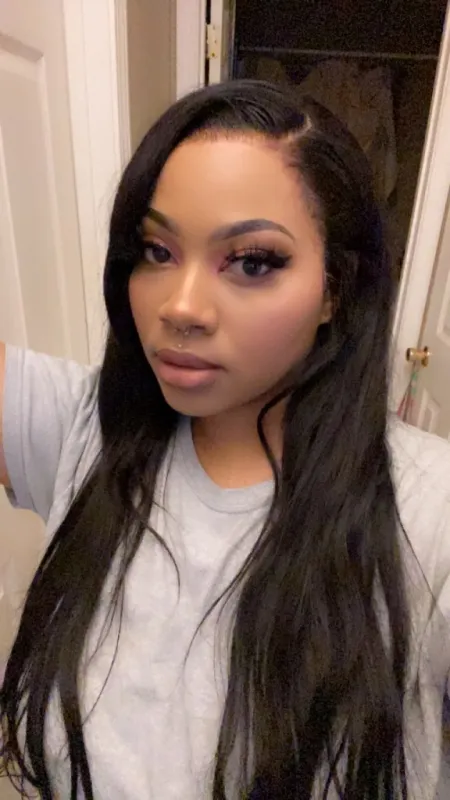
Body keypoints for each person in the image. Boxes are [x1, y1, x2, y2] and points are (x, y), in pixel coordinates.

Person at [0, 80, 449, 800]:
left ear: (335, 288)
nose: (180, 307)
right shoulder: (89, 427)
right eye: (156, 250)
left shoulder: (430, 514)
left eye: (253, 262)